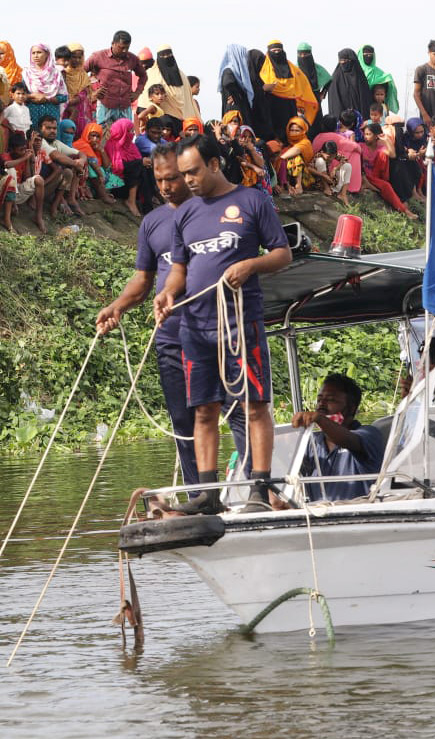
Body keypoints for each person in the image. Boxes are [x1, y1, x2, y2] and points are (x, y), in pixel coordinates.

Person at [153, 134, 293, 514]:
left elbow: (282, 253)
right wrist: (167, 293)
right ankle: (207, 495)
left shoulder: (252, 200)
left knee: (253, 406)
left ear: (214, 164)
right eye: (183, 174)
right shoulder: (184, 214)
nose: (188, 181)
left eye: (193, 172)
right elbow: (179, 269)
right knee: (203, 410)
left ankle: (260, 491)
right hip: (194, 327)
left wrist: (251, 265)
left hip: (239, 323)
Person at [97, 143, 220, 485]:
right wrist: (117, 306)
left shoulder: (211, 210)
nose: (166, 186)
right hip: (170, 334)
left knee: (225, 412)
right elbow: (143, 278)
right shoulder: (152, 222)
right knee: (182, 419)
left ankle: (246, 486)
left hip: (214, 329)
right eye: (159, 179)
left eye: (173, 178)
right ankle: (201, 495)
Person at [292, 374, 385, 503]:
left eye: (330, 400)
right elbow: (288, 469)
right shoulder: (311, 442)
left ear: (351, 408)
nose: (321, 405)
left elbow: (347, 440)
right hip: (318, 516)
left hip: (359, 516)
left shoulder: (369, 434)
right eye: (319, 400)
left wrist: (320, 419)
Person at [258, 41, 318, 142]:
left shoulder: (292, 68)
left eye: (279, 50)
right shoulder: (264, 68)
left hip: (288, 105)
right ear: (268, 52)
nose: (277, 53)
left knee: (290, 132)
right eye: (274, 51)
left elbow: (302, 83)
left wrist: (301, 104)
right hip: (271, 105)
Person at [84, 31, 145, 126]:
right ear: (113, 44)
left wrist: (137, 92)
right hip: (105, 105)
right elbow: (81, 73)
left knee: (125, 134)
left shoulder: (133, 59)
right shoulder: (98, 57)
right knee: (103, 135)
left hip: (125, 106)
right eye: (121, 47)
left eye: (127, 48)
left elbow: (143, 76)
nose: (124, 50)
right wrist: (92, 93)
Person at [23, 43, 66, 129]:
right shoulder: (27, 74)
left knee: (51, 140)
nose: (36, 56)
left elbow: (64, 97)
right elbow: (21, 94)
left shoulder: (55, 73)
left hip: (51, 115)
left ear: (47, 54)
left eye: (39, 52)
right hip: (32, 115)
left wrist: (47, 98)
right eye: (33, 53)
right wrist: (32, 96)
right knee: (34, 139)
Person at [151, 45, 196, 121]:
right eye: (162, 55)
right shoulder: (153, 75)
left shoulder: (182, 76)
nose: (166, 57)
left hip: (183, 118)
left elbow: (188, 99)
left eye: (169, 54)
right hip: (163, 120)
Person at [327, 49, 372, 124]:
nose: (343, 63)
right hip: (342, 124)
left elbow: (365, 101)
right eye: (341, 60)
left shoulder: (360, 78)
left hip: (360, 122)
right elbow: (335, 103)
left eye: (345, 60)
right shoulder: (336, 78)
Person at [358, 45, 399, 114]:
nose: (368, 56)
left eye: (370, 55)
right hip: (359, 104)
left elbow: (386, 82)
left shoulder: (379, 72)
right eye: (365, 54)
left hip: (375, 107)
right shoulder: (356, 72)